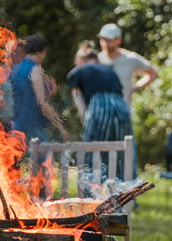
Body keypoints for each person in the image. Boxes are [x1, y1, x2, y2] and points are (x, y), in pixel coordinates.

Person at [9, 35, 67, 198]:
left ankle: (26, 202)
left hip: (17, 126)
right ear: (41, 51)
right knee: (43, 166)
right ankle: (44, 200)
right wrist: (59, 123)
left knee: (21, 168)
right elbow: (41, 102)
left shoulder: (14, 70)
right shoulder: (34, 69)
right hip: (34, 126)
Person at [67, 41, 131, 184]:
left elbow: (78, 97)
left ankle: (92, 191)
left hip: (99, 107)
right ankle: (122, 192)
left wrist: (85, 117)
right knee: (120, 152)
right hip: (121, 110)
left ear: (79, 61)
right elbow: (121, 94)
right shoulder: (109, 70)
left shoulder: (77, 71)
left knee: (92, 150)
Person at [97, 23, 158, 104]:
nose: (106, 44)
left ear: (118, 40)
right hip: (102, 112)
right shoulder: (96, 60)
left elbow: (153, 73)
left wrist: (135, 88)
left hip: (124, 111)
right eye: (103, 40)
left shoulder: (131, 58)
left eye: (109, 40)